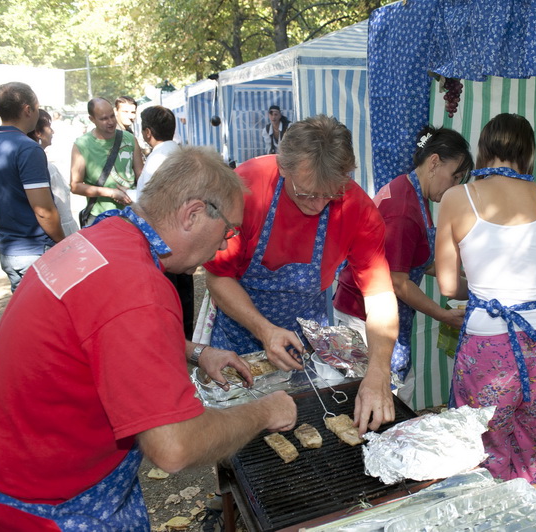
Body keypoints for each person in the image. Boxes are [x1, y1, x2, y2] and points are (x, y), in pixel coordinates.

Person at [0, 146, 297, 530]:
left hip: (19, 464)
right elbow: (173, 447)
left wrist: (196, 352)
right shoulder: (139, 287)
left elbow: (97, 332)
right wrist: (265, 411)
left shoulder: (103, 239)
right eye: (228, 231)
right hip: (51, 502)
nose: (222, 246)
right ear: (193, 214)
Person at [205, 114, 398, 435]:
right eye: (307, 193)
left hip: (307, 335)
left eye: (331, 194)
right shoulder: (247, 188)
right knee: (240, 435)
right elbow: (217, 277)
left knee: (306, 422)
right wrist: (264, 331)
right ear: (283, 167)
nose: (319, 204)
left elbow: (379, 297)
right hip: (240, 332)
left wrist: (379, 371)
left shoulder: (358, 209)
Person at [435, 113, 536, 494]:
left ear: (482, 151)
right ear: (530, 152)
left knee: (481, 446)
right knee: (534, 447)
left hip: (487, 344)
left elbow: (448, 287)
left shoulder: (458, 198)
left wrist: (481, 287)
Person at [333, 126, 473, 403]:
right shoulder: (404, 211)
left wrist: (470, 278)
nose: (455, 185)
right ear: (434, 162)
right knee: (384, 398)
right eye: (455, 176)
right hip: (365, 319)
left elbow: (416, 261)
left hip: (363, 309)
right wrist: (442, 315)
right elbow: (397, 281)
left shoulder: (408, 188)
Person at [0, 82, 65, 291]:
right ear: (28, 110)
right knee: (48, 316)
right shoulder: (27, 149)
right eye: (38, 107)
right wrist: (63, 243)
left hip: (8, 248)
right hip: (35, 251)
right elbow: (44, 212)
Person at [137, 104, 193, 338]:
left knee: (168, 292)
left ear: (147, 132)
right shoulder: (185, 154)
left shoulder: (157, 160)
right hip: (187, 233)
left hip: (163, 239)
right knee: (184, 291)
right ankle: (185, 336)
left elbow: (144, 203)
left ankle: (174, 338)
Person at [71, 97, 143, 226]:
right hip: (100, 218)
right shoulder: (82, 144)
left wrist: (133, 194)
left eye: (112, 116)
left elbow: (142, 177)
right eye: (104, 119)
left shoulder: (130, 139)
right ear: (92, 119)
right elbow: (75, 186)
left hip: (131, 213)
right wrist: (111, 193)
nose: (110, 122)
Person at [27, 109, 80, 236]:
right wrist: (62, 239)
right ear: (38, 133)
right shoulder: (46, 168)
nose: (53, 131)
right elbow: (57, 213)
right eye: (49, 127)